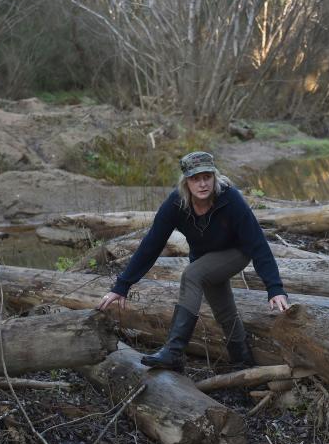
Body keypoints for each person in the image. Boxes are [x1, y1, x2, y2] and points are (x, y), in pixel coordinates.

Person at [97, 151, 289, 371]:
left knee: (192, 274)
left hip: (237, 252)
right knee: (223, 310)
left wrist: (275, 288)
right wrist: (122, 285)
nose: (202, 184)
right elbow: (151, 245)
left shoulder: (230, 198)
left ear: (214, 176)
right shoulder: (176, 203)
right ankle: (243, 361)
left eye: (207, 177)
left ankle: (174, 352)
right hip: (204, 258)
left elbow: (258, 244)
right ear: (186, 181)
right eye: (195, 179)